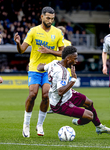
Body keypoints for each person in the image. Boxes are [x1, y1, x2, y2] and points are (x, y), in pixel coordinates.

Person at [37, 46, 110, 134]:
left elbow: (40, 67)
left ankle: (99, 127)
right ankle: (78, 122)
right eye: (75, 59)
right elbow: (60, 92)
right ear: (68, 58)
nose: (76, 61)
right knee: (90, 116)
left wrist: (39, 66)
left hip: (68, 94)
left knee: (89, 103)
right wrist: (73, 80)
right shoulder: (62, 72)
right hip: (60, 103)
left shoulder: (54, 63)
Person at [14, 6, 64, 138]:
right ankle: (26, 124)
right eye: (48, 18)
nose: (50, 21)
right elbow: (22, 50)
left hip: (49, 69)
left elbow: (63, 52)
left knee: (46, 95)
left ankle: (40, 124)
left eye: (52, 19)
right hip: (35, 68)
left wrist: (50, 51)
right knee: (33, 94)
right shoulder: (33, 31)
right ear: (41, 17)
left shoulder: (58, 32)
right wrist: (18, 43)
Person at [47, 25, 71, 114]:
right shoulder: (54, 42)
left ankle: (63, 105)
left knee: (62, 90)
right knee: (52, 90)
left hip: (63, 70)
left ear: (63, 33)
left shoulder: (67, 43)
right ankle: (53, 106)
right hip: (55, 70)